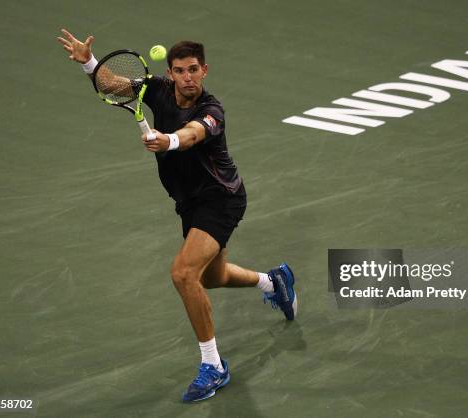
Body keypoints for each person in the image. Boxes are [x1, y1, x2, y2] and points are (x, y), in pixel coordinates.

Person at [56, 29, 297, 402]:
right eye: (180, 71)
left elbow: (192, 134)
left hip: (221, 200)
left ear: (205, 71)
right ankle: (274, 282)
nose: (187, 77)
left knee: (183, 273)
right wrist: (89, 61)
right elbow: (114, 84)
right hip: (189, 203)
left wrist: (166, 140)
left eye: (194, 70)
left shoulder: (212, 111)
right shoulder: (157, 89)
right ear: (170, 73)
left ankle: (213, 366)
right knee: (212, 276)